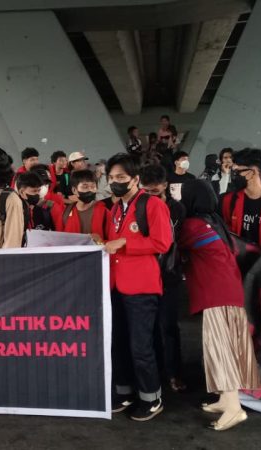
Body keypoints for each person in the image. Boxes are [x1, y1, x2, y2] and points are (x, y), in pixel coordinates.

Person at [178, 179, 260, 431]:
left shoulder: (192, 225)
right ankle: (226, 399)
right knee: (226, 347)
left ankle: (235, 409)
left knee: (222, 349)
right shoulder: (214, 221)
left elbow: (172, 245)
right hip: (227, 290)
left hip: (217, 293)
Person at [103, 153, 172, 422]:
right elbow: (112, 241)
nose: (116, 182)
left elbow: (162, 243)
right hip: (115, 285)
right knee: (117, 342)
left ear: (135, 179)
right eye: (111, 178)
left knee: (141, 346)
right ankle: (124, 392)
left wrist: (124, 244)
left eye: (121, 177)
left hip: (141, 286)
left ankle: (151, 398)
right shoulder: (115, 208)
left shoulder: (151, 205)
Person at [138, 163, 187, 393]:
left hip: (169, 274)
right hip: (144, 274)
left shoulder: (178, 209)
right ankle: (153, 372)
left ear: (166, 186)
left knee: (168, 325)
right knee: (147, 327)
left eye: (155, 191)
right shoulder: (136, 207)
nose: (151, 195)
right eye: (146, 191)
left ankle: (175, 372)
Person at [59, 169, 108, 242]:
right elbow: (59, 239)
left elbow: (113, 241)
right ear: (74, 190)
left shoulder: (104, 211)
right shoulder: (65, 212)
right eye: (85, 187)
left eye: (93, 186)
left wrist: (100, 241)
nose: (90, 190)